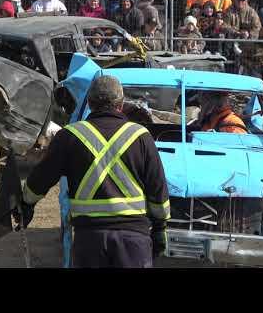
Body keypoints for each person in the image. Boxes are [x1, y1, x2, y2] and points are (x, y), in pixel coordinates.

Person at [13, 75, 170, 268]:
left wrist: (26, 203)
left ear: (89, 103)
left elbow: (41, 178)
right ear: (121, 105)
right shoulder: (141, 137)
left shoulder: (69, 136)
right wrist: (160, 228)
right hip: (133, 240)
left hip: (89, 241)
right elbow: (158, 189)